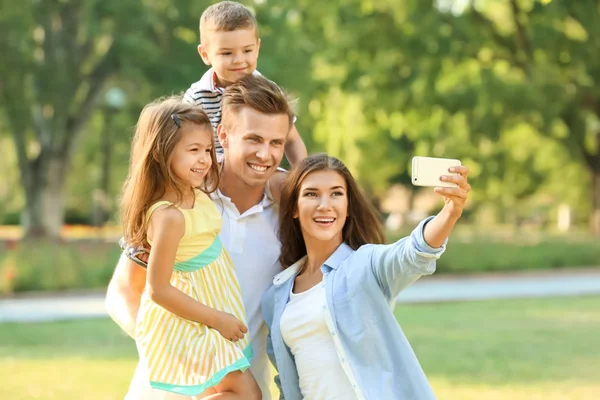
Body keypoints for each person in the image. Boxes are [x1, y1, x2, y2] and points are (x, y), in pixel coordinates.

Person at [106, 74, 294, 400]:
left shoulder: (290, 211)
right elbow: (123, 290)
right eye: (253, 139)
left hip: (239, 388)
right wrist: (174, 350)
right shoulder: (182, 199)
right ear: (223, 135)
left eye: (276, 143)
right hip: (167, 387)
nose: (265, 154)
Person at [262, 154, 472, 400]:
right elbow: (287, 383)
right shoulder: (276, 296)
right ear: (294, 208)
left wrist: (450, 212)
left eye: (336, 193)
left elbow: (413, 253)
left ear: (348, 206)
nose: (325, 205)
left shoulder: (366, 264)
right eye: (311, 194)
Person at [184, 0, 306, 165]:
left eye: (247, 50)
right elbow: (185, 147)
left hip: (259, 170)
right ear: (205, 54)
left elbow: (291, 140)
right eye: (227, 53)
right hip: (212, 180)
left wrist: (302, 176)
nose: (239, 60)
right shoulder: (196, 98)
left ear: (257, 47)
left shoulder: (268, 92)